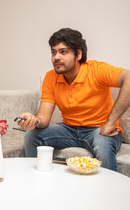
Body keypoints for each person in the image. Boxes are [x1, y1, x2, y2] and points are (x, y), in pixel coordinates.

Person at [18, 28, 130, 171]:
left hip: (98, 130)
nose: (56, 57)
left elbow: (128, 78)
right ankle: (35, 180)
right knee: (31, 135)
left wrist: (110, 122)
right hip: (68, 130)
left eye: (63, 52)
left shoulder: (96, 70)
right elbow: (43, 118)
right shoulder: (50, 77)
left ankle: (110, 190)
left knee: (102, 144)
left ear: (78, 54)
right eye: (53, 52)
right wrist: (33, 120)